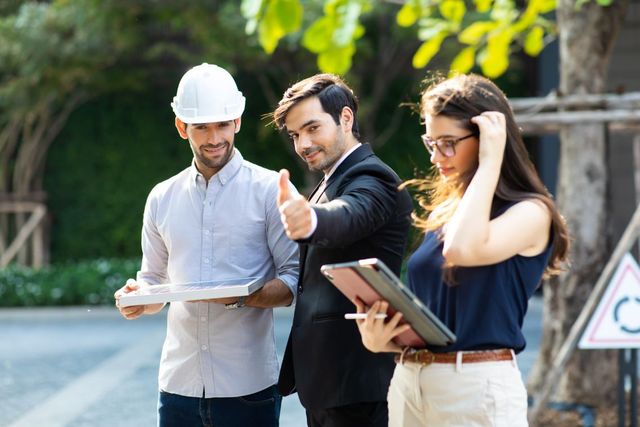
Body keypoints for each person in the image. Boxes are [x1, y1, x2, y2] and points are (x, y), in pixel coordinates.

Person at [354, 73, 570, 426]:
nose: (438, 156)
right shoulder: (446, 214)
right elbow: (438, 323)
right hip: (412, 382)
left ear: (488, 139)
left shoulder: (532, 212)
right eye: (432, 142)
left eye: (449, 142)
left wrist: (490, 163)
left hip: (475, 388)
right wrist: (385, 340)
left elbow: (462, 249)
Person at [113, 63, 299, 427]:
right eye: (202, 127)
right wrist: (139, 297)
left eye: (222, 125)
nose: (214, 137)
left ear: (238, 122)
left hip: (248, 387)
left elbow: (294, 281)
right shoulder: (161, 197)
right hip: (178, 386)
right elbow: (154, 282)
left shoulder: (270, 191)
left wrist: (243, 296)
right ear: (183, 127)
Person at [273, 73, 414, 427]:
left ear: (346, 118)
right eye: (295, 135)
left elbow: (349, 215)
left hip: (359, 382)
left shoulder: (373, 178)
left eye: (312, 128)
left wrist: (312, 221)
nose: (303, 143)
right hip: (329, 381)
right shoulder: (330, 178)